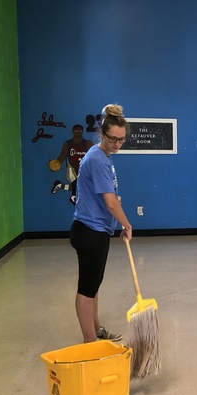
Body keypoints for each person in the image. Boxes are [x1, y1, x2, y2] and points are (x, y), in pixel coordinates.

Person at [70, 104, 133, 343]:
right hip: (90, 232)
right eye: (113, 139)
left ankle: (96, 329)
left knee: (93, 284)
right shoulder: (98, 159)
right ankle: (90, 343)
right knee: (87, 288)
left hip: (94, 229)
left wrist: (113, 204)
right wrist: (127, 225)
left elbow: (104, 196)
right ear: (102, 134)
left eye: (121, 140)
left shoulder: (102, 156)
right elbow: (109, 202)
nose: (117, 144)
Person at [50, 124, 93, 204]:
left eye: (80, 131)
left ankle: (59, 185)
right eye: (76, 131)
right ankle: (73, 197)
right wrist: (56, 163)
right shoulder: (68, 144)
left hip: (84, 170)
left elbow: (94, 156)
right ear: (73, 131)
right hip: (72, 168)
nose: (78, 132)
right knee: (76, 184)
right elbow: (62, 156)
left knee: (78, 186)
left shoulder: (87, 143)